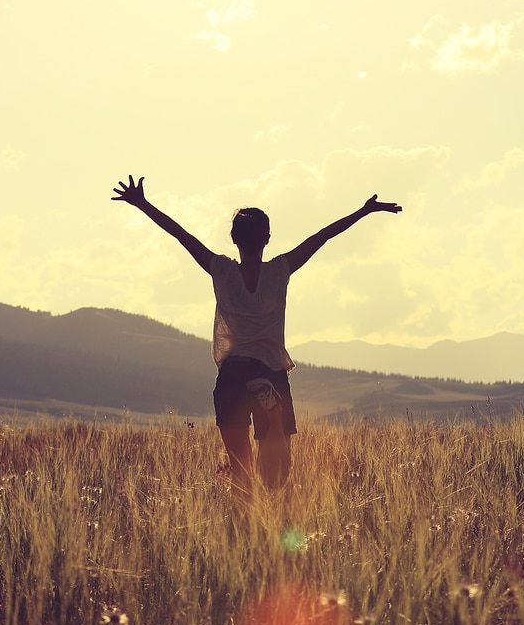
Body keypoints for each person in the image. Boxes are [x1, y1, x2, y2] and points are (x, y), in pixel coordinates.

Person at [111, 175, 401, 506]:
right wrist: (363, 212)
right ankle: (273, 422)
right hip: (271, 372)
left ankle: (243, 533)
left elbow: (181, 236)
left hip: (233, 374)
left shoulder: (221, 270)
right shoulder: (280, 270)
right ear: (267, 239)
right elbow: (321, 237)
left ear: (234, 239)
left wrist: (143, 204)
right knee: (276, 479)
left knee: (240, 471)